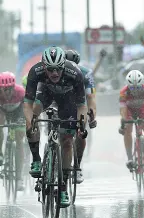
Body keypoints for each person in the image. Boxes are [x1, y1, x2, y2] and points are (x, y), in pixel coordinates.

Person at [23, 46, 88, 207]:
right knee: (33, 116)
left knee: (67, 141)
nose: (54, 73)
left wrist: (81, 124)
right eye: (50, 69)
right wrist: (31, 121)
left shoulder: (75, 73)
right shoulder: (35, 71)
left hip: (68, 99)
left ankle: (63, 187)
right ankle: (37, 159)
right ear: (43, 66)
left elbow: (82, 105)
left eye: (58, 69)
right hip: (46, 94)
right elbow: (28, 104)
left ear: (63, 66)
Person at [65, 49, 97, 183]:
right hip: (59, 104)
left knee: (80, 133)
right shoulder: (56, 72)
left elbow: (90, 97)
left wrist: (92, 115)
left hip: (79, 105)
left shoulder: (86, 74)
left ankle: (77, 167)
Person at [0, 72, 26, 191]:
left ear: (14, 87)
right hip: (3, 110)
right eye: (4, 89)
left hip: (18, 112)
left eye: (10, 89)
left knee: (19, 139)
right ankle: (1, 155)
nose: (8, 92)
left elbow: (27, 108)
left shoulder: (21, 92)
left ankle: (19, 178)